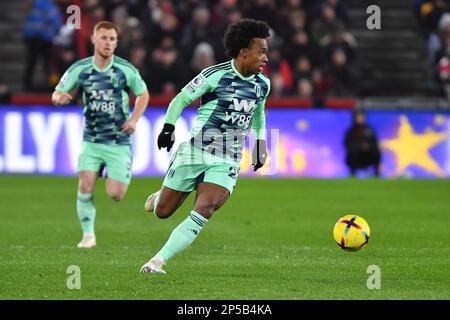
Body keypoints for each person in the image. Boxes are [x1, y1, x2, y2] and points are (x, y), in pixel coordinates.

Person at [140, 18, 271, 274]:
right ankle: (159, 197)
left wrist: (260, 144)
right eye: (262, 51)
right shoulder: (214, 75)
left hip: (227, 159)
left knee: (206, 208)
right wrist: (168, 127)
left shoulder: (262, 84)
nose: (266, 57)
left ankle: (157, 261)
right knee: (163, 212)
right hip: (195, 152)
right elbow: (181, 99)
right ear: (244, 52)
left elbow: (258, 114)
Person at [51, 21, 150, 248]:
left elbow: (143, 94)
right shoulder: (80, 69)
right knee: (84, 186)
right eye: (104, 38)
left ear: (116, 42)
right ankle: (88, 236)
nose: (108, 43)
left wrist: (134, 119)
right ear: (94, 40)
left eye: (112, 39)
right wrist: (59, 98)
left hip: (119, 141)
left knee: (116, 194)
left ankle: (107, 171)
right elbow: (57, 92)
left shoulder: (125, 69)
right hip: (92, 139)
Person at [344, 109, 381, 177]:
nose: (361, 118)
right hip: (356, 156)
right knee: (352, 151)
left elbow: (375, 143)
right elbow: (347, 144)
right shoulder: (351, 131)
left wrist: (368, 146)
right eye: (359, 117)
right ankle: (353, 173)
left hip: (368, 155)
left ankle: (377, 173)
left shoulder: (370, 130)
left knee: (377, 150)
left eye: (362, 117)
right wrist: (359, 146)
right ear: (355, 118)